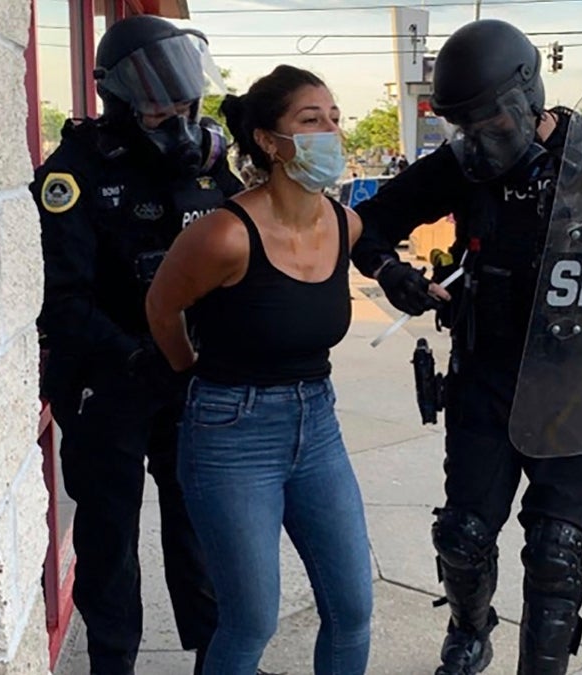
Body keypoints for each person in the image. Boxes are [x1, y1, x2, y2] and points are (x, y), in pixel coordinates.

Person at [351, 19, 582, 675]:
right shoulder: (464, 163)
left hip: (581, 382)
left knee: (558, 547)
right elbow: (369, 223)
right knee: (464, 535)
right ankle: (470, 631)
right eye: (464, 125)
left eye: (491, 121)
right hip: (487, 375)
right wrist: (392, 272)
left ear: (530, 96)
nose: (480, 138)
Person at [31, 15, 247, 675]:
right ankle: (113, 661)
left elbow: (246, 257)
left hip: (188, 383)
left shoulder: (211, 169)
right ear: (119, 99)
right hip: (109, 385)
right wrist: (138, 354)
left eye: (184, 99)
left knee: (201, 529)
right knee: (108, 538)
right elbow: (61, 300)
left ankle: (216, 657)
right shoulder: (75, 173)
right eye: (159, 102)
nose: (177, 114)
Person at [145, 65, 374, 675]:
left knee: (352, 609)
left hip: (317, 425)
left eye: (333, 118)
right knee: (251, 620)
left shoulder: (343, 224)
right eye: (310, 120)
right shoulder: (225, 234)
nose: (330, 132)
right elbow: (162, 309)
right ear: (271, 142)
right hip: (230, 431)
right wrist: (192, 377)